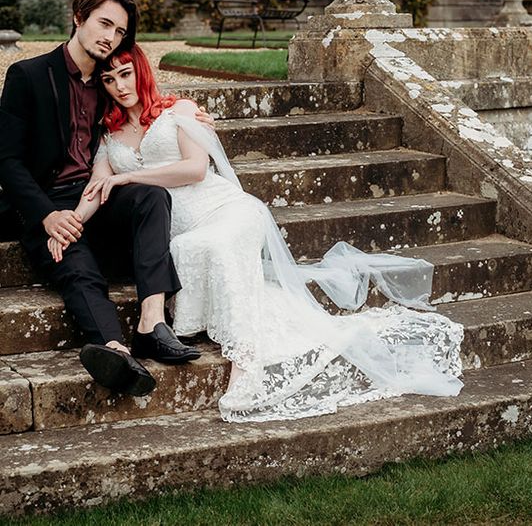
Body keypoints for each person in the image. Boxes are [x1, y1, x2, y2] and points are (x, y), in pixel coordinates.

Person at [73, 44, 463, 422]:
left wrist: (129, 177)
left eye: (125, 74)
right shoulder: (110, 137)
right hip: (176, 228)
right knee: (187, 248)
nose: (120, 86)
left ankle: (246, 360)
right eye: (108, 79)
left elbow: (193, 169)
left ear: (141, 71)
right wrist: (71, 222)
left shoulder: (180, 110)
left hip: (224, 209)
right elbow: (97, 186)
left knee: (213, 244)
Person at [0, 0, 203, 397]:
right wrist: (47, 215)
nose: (110, 37)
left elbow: (148, 109)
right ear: (79, 17)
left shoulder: (111, 81)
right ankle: (113, 348)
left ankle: (151, 322)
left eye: (119, 31)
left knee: (151, 196)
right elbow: (7, 161)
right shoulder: (29, 76)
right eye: (104, 23)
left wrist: (190, 114)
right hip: (50, 203)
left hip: (100, 193)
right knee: (77, 268)